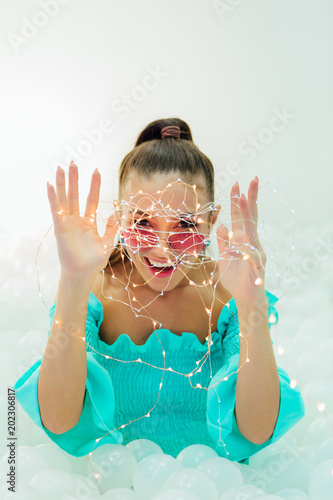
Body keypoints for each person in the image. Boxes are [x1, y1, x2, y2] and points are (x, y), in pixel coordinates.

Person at [14, 118, 305, 465]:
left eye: (185, 226)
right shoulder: (97, 292)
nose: (163, 250)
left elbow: (257, 431)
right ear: (120, 219)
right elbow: (60, 422)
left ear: (210, 222)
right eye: (142, 225)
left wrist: (251, 301)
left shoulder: (228, 296)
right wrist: (73, 281)